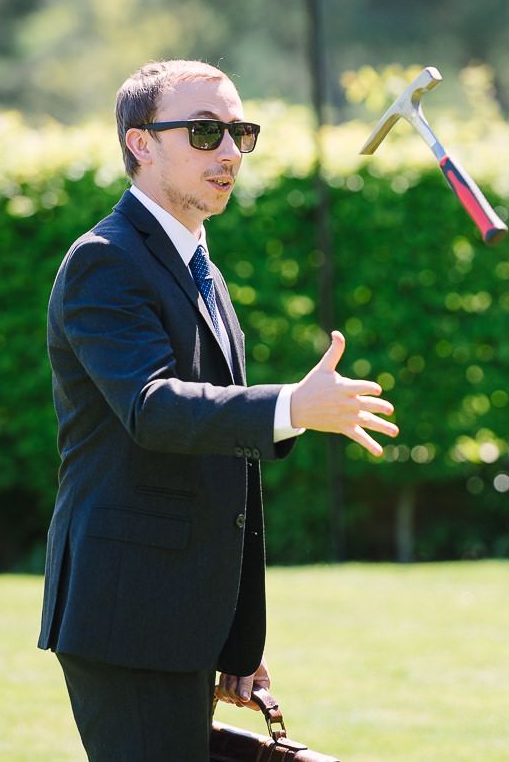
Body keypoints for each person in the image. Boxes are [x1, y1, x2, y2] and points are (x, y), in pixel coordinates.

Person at [38, 59, 399, 760]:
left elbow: (210, 465)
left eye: (241, 132)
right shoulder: (104, 261)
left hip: (176, 620)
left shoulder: (199, 264)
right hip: (128, 617)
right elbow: (154, 408)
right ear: (141, 144)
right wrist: (291, 405)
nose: (230, 151)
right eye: (206, 132)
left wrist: (231, 639)